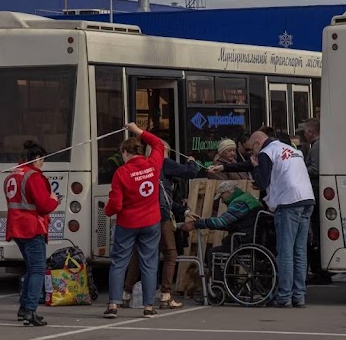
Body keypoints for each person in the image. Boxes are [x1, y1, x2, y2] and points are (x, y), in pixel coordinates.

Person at [122, 144, 202, 309]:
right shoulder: (164, 163)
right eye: (168, 150)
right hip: (160, 217)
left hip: (142, 216)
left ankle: (126, 294)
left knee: (139, 255)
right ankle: (165, 295)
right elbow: (191, 173)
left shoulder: (145, 166)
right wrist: (192, 161)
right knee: (170, 255)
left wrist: (185, 210)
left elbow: (163, 196)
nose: (170, 152)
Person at [102, 122, 165, 319]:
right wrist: (139, 131)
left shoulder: (121, 173)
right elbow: (159, 145)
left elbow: (116, 205)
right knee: (149, 263)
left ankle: (113, 304)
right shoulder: (153, 165)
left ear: (125, 153)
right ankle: (148, 307)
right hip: (151, 222)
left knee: (119, 263)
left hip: (128, 224)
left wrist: (106, 210)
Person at [246, 129, 314, 308]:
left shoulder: (267, 153)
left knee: (285, 251)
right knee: (300, 251)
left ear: (257, 144)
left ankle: (284, 296)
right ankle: (299, 295)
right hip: (306, 199)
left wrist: (255, 166)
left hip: (288, 202)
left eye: (252, 150)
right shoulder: (292, 150)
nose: (253, 154)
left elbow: (261, 182)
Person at [4, 141, 59, 327]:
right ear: (36, 158)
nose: (42, 163)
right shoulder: (33, 177)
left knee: (30, 268)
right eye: (42, 160)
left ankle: (24, 308)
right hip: (32, 227)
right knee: (37, 270)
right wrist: (55, 201)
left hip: (16, 227)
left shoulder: (13, 174)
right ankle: (30, 310)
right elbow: (44, 206)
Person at [177, 181, 263, 250]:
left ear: (227, 192)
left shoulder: (239, 203)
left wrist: (197, 224)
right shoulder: (247, 199)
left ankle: (218, 272)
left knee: (212, 253)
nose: (221, 201)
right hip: (251, 236)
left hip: (244, 239)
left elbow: (221, 222)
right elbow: (233, 224)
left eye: (221, 197)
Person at [300, 118, 331, 285]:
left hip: (317, 191)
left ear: (311, 132)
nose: (304, 135)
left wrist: (301, 168)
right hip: (317, 191)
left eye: (305, 132)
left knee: (317, 232)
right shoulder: (318, 145)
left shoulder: (317, 146)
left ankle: (321, 271)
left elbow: (316, 169)